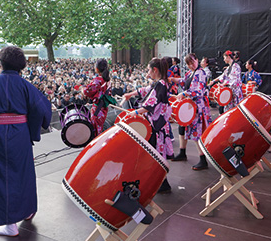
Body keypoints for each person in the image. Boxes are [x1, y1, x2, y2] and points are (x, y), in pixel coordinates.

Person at [0, 46, 52, 237]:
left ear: (1, 62)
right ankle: (28, 210)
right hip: (21, 133)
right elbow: (42, 109)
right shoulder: (26, 86)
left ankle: (10, 224)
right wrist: (31, 128)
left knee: (2, 176)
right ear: (21, 65)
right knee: (24, 172)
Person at [123, 57, 174, 193]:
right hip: (157, 123)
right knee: (156, 153)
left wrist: (134, 112)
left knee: (157, 153)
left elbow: (150, 104)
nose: (147, 73)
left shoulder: (161, 84)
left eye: (148, 70)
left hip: (158, 125)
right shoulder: (160, 83)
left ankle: (162, 183)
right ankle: (162, 183)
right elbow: (145, 90)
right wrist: (130, 94)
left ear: (155, 70)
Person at [170, 53, 213, 170]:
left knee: (197, 133)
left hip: (198, 107)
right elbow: (184, 81)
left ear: (197, 60)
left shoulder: (202, 73)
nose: (191, 65)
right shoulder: (191, 73)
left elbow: (198, 90)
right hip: (190, 105)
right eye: (188, 64)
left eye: (192, 62)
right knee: (182, 127)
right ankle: (182, 152)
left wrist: (183, 93)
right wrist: (173, 79)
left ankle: (203, 159)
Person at [82, 58, 111, 136]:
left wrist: (83, 88)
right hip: (104, 109)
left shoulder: (97, 80)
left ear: (97, 69)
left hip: (97, 109)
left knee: (95, 130)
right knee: (99, 128)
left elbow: (86, 91)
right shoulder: (108, 81)